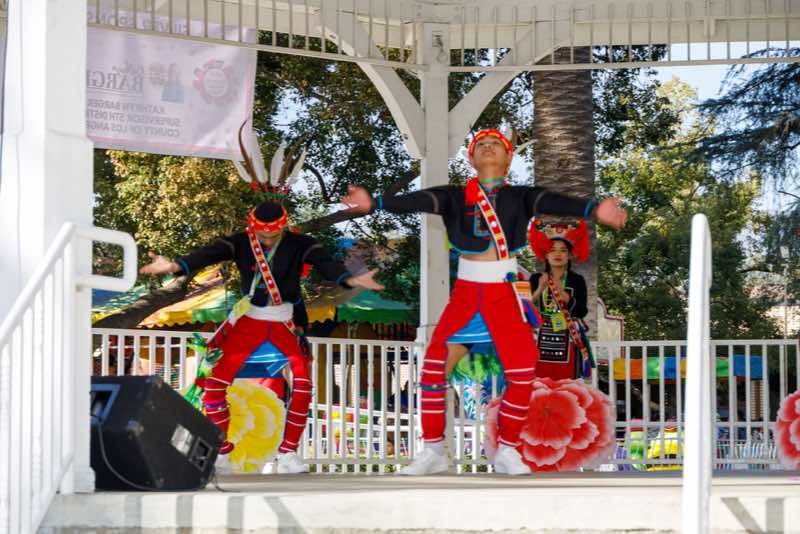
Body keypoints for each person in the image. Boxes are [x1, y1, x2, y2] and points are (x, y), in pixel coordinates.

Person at [342, 128, 627, 475]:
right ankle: (433, 450)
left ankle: (507, 449)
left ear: (509, 159)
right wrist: (375, 204)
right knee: (433, 368)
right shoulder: (453, 197)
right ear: (471, 159)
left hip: (504, 292)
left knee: (522, 371)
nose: (488, 147)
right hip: (466, 292)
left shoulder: (522, 197)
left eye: (496, 144)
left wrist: (594, 210)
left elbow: (553, 201)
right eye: (481, 145)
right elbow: (419, 200)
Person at [140, 200, 383, 473]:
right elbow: (208, 253)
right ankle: (223, 452)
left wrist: (350, 280)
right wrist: (175, 265)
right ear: (253, 226)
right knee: (214, 385)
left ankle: (288, 453)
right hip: (250, 320)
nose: (267, 238)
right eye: (262, 233)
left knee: (303, 386)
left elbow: (327, 263)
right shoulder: (241, 242)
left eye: (273, 233)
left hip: (285, 322)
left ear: (283, 226)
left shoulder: (301, 244)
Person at [529, 218, 593, 380]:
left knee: (566, 382)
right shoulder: (536, 278)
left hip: (568, 336)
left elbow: (582, 311)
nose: (557, 254)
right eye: (552, 250)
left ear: (570, 255)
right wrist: (540, 288)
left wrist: (563, 293)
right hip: (538, 337)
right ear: (545, 254)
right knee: (538, 382)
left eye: (563, 250)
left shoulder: (576, 280)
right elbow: (523, 308)